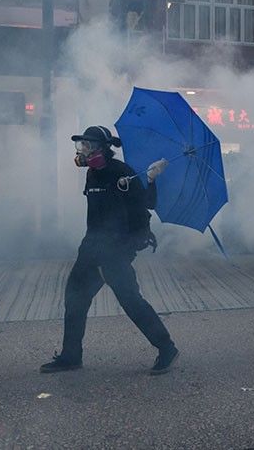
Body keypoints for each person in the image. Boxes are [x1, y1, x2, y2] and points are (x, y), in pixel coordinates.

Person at [40, 126, 179, 374]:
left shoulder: (121, 173)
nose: (82, 151)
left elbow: (145, 207)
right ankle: (71, 356)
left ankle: (166, 348)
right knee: (75, 300)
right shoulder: (92, 173)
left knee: (131, 302)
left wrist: (148, 180)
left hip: (115, 252)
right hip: (91, 249)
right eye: (80, 146)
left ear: (102, 148)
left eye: (87, 146)